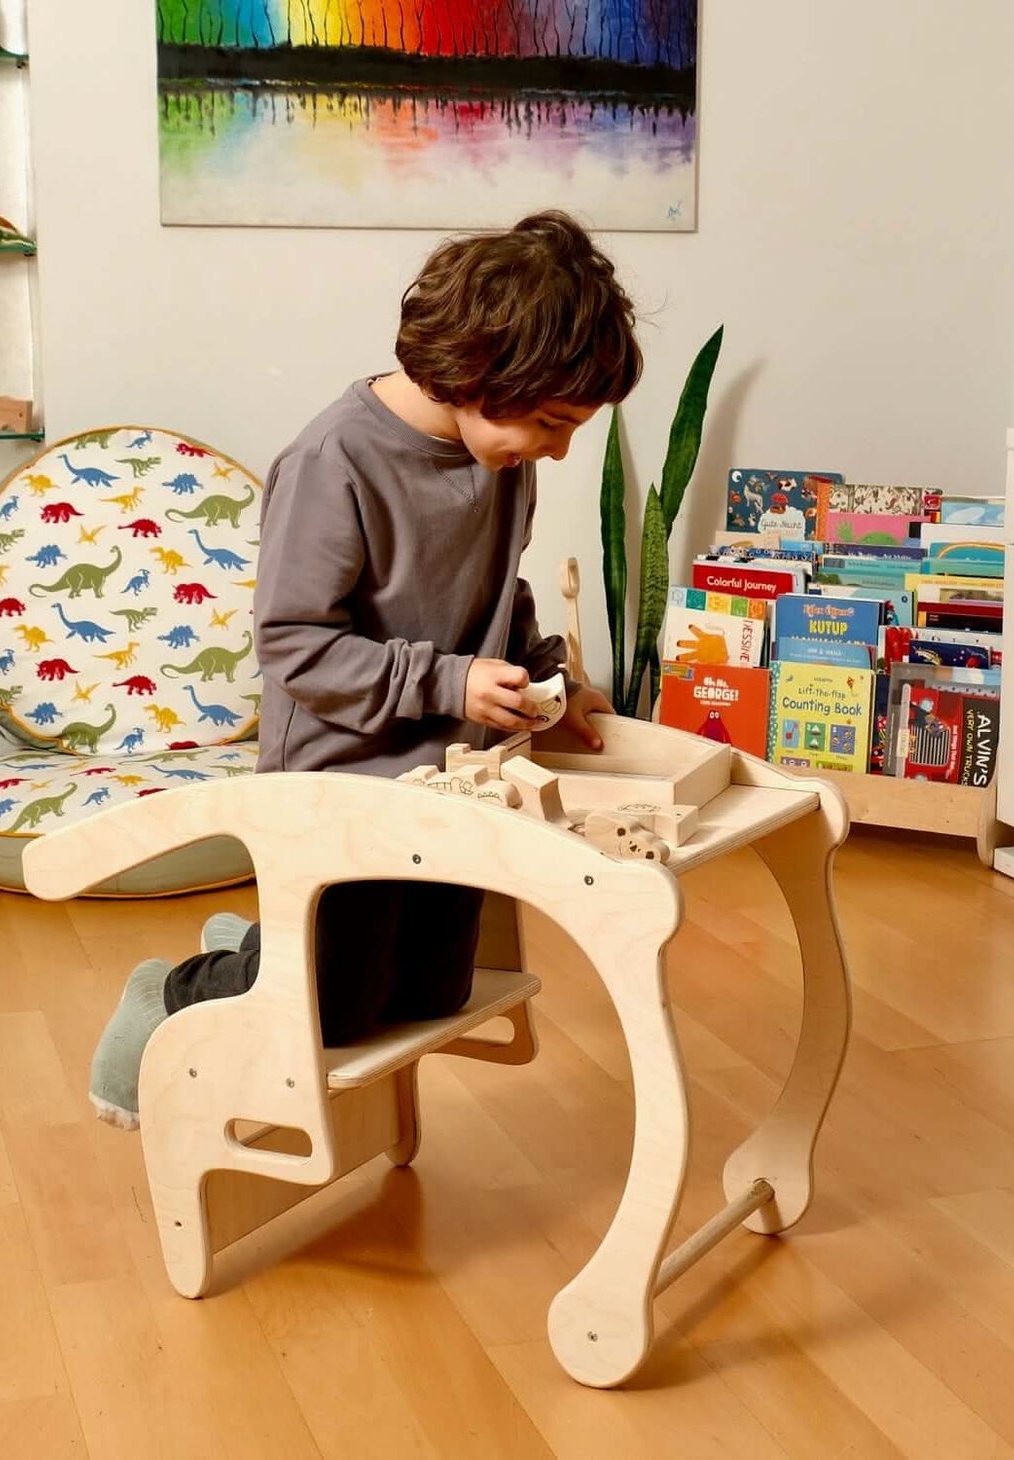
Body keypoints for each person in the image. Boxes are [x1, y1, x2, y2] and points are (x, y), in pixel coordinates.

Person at [88, 210, 643, 1128]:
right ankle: (176, 988)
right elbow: (293, 642)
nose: (558, 448)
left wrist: (554, 679)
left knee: (433, 993)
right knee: (336, 1008)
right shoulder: (332, 460)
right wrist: (448, 683)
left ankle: (270, 945)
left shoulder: (504, 458)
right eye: (553, 424)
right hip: (338, 779)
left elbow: (500, 592)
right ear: (478, 372)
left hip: (448, 778)